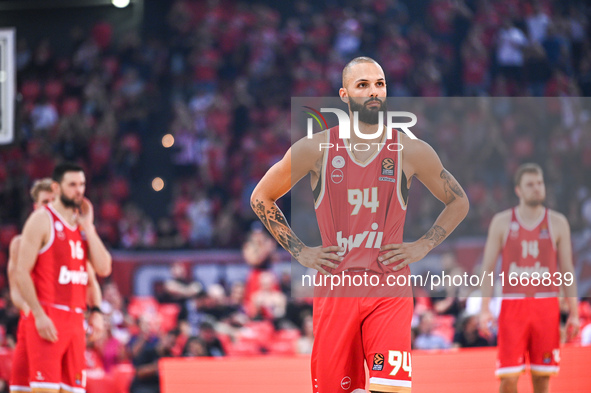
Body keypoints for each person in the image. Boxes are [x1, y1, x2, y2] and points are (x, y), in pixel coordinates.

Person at [251, 56, 469, 392]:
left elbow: (459, 200)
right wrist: (301, 252)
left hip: (388, 285)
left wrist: (423, 245)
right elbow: (261, 197)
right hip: (337, 288)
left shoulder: (409, 149)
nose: (373, 92)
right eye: (363, 85)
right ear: (344, 94)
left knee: (391, 388)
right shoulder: (316, 148)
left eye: (379, 84)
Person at [479, 163, 580, 393]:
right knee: (508, 378)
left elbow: (567, 271)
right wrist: (485, 309)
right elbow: (487, 269)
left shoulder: (558, 222)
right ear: (518, 190)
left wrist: (573, 312)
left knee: (543, 376)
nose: (537, 188)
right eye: (530, 184)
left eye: (540, 183)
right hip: (513, 306)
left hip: (546, 306)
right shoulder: (502, 221)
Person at [14, 163, 112, 393]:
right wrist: (38, 313)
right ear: (57, 188)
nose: (79, 191)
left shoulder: (81, 226)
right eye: (72, 185)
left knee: (74, 390)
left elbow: (103, 268)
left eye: (82, 185)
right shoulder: (41, 220)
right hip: (49, 315)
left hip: (76, 319)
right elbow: (21, 272)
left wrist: (89, 226)